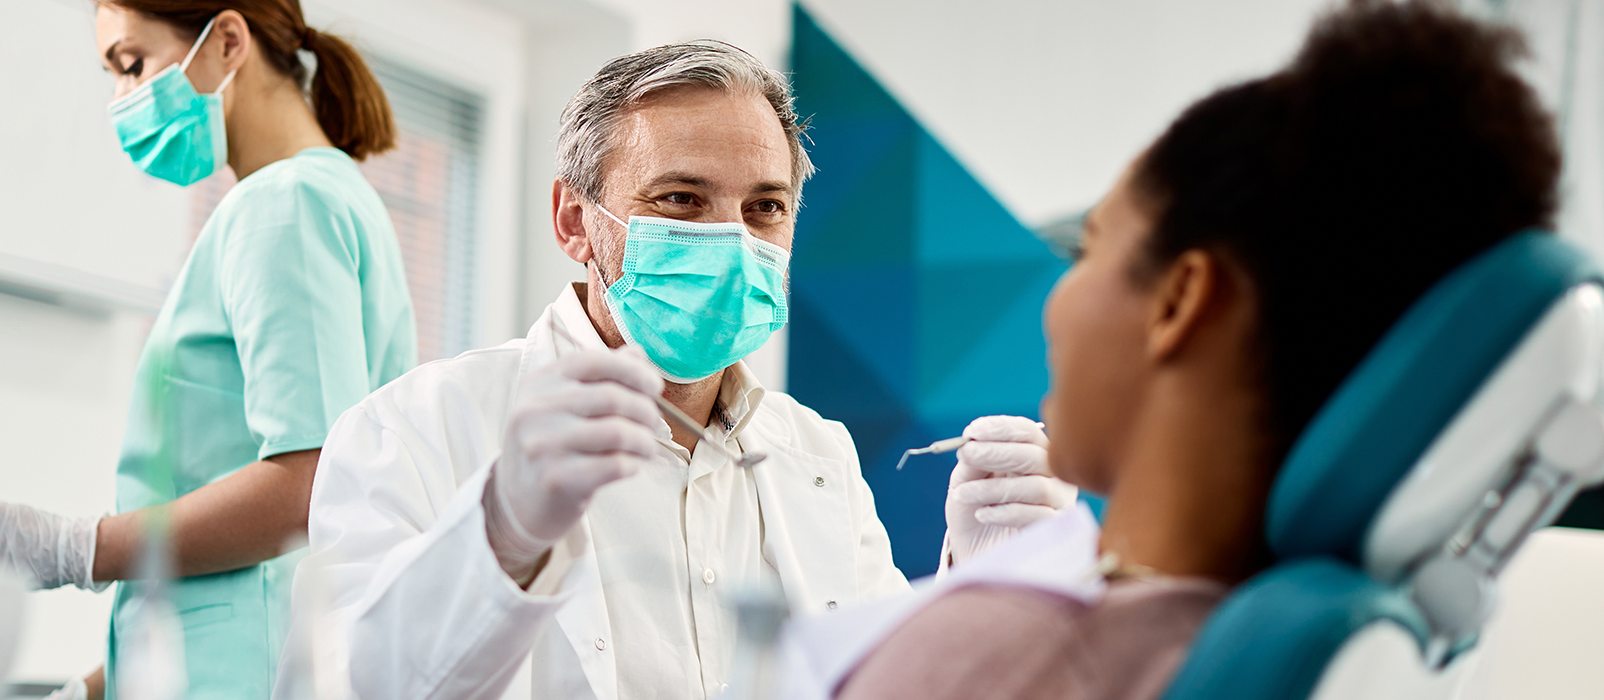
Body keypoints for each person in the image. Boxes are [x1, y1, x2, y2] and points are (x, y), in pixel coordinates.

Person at [780, 2, 1565, 699]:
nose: (1057, 302)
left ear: (1182, 300)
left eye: (1088, 252)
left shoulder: (999, 656)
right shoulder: (1318, 644)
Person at [274, 41, 1079, 700]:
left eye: (765, 206)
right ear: (574, 221)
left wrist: (978, 584)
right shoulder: (416, 427)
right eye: (682, 200)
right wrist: (501, 535)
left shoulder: (817, 454)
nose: (732, 240)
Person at [0, 2, 417, 698]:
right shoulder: (332, 197)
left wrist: (77, 546)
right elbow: (220, 590)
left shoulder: (284, 204)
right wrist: (93, 689)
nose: (121, 100)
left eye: (132, 65)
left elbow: (309, 483)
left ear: (227, 41)